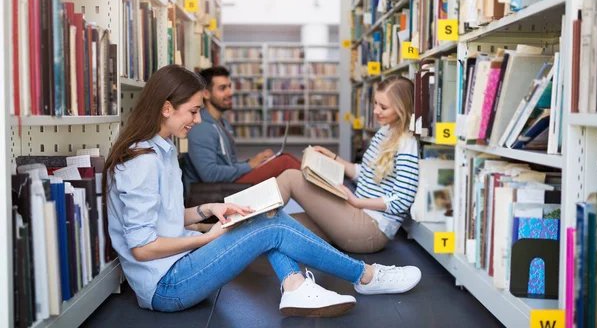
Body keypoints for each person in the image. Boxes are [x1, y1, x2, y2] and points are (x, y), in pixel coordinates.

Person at [102, 65, 421, 316]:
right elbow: (142, 248)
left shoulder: (162, 151)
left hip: (179, 266)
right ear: (167, 108)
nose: (199, 120)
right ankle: (365, 276)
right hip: (167, 286)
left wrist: (208, 209)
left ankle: (295, 284)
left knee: (267, 214)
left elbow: (165, 216)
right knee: (271, 223)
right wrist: (206, 237)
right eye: (193, 111)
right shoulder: (141, 160)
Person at [277, 75, 418, 254]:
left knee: (291, 177)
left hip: (370, 228)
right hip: (354, 214)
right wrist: (332, 158)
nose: (375, 111)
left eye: (383, 107)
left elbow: (402, 199)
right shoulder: (385, 132)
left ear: (401, 109)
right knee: (279, 226)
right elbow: (363, 173)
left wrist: (357, 202)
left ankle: (243, 216)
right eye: (375, 103)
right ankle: (240, 232)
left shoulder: (407, 143)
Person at [181, 66, 301, 191]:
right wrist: (249, 165)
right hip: (212, 191)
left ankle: (315, 177)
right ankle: (318, 183)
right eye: (223, 88)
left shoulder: (222, 123)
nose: (230, 93)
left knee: (283, 159)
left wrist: (254, 161)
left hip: (227, 183)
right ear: (206, 93)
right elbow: (210, 174)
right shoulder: (201, 127)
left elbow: (230, 164)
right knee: (284, 162)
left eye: (229, 86)